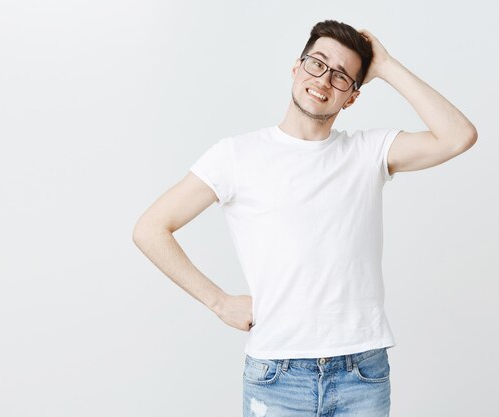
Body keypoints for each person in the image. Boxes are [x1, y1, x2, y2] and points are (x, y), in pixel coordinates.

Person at [132, 19, 477, 417]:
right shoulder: (236, 156)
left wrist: (385, 65)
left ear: (351, 97)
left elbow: (458, 136)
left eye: (342, 76)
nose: (324, 80)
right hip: (277, 376)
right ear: (296, 68)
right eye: (317, 63)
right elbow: (151, 229)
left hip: (361, 372)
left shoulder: (368, 152)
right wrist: (219, 302)